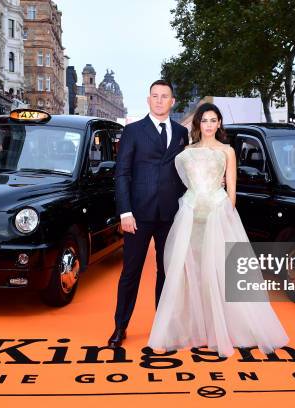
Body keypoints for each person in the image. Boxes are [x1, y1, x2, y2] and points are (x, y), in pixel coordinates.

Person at [147, 103, 288, 357]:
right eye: (205, 120)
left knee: (220, 271)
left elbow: (232, 188)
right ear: (198, 124)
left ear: (219, 123)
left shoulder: (227, 151)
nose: (209, 125)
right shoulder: (186, 152)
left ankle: (225, 328)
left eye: (213, 120)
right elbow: (184, 180)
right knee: (191, 271)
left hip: (217, 212)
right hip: (190, 215)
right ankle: (195, 329)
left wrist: (226, 212)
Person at [109, 80, 189, 348]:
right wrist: (125, 212)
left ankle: (162, 327)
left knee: (166, 273)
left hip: (171, 213)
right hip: (138, 215)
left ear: (172, 101)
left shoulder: (181, 133)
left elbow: (183, 172)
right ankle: (120, 326)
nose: (159, 100)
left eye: (164, 96)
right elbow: (122, 174)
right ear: (148, 100)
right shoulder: (132, 131)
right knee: (130, 272)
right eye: (154, 96)